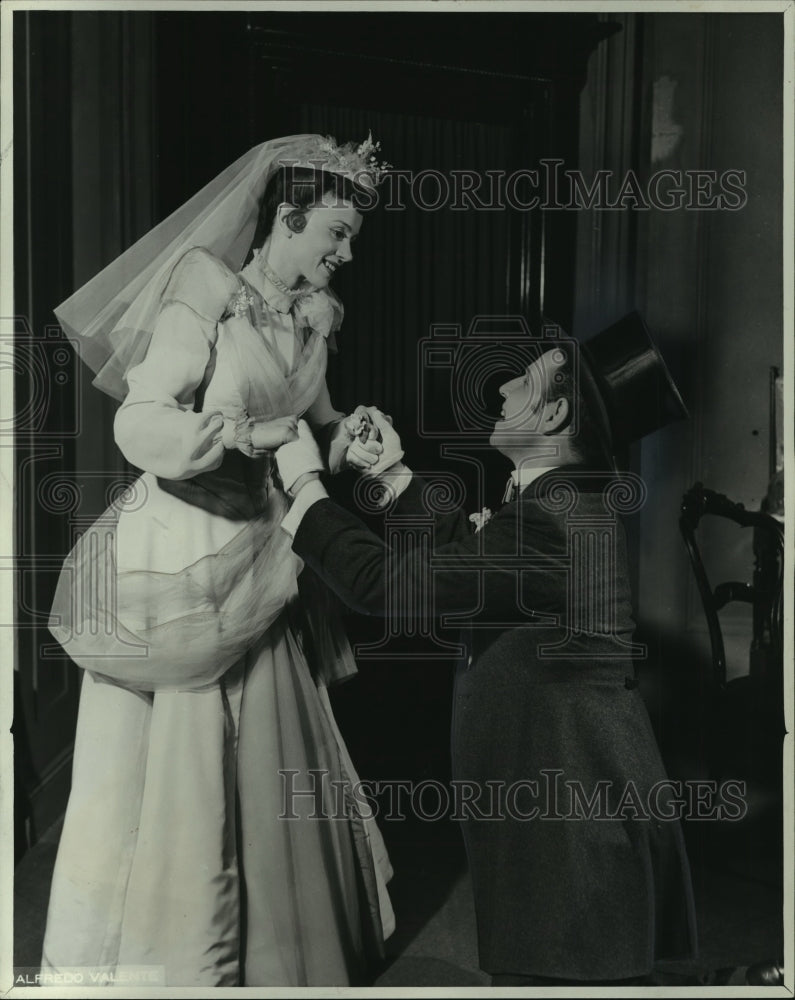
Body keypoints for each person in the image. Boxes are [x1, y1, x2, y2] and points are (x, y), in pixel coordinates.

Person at [42, 134, 395, 987]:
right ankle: (185, 961)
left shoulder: (316, 314)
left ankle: (271, 957)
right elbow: (141, 423)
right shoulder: (205, 288)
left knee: (265, 753)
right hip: (185, 553)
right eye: (336, 233)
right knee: (180, 765)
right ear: (288, 215)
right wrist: (233, 437)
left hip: (269, 555)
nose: (346, 253)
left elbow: (316, 426)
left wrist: (348, 439)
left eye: (350, 239)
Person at [273, 315, 699, 986]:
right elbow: (466, 562)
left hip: (571, 837)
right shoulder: (560, 502)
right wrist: (390, 470)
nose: (501, 390)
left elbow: (385, 588)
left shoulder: (550, 521)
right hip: (564, 812)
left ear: (555, 412)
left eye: (522, 383)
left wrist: (303, 491)